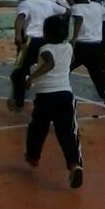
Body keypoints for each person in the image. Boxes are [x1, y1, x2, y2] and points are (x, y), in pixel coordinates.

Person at [25, 14, 84, 189]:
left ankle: (33, 157)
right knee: (67, 133)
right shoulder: (68, 47)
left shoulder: (44, 48)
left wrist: (31, 78)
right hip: (64, 95)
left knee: (37, 128)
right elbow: (67, 62)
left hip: (45, 96)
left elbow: (50, 63)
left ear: (46, 33)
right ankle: (74, 164)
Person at [9, 0, 67, 111]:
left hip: (30, 41)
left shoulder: (25, 4)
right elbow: (66, 12)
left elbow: (20, 19)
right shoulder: (50, 4)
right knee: (45, 67)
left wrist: (18, 34)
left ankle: (19, 100)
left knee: (18, 72)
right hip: (47, 41)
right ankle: (48, 95)